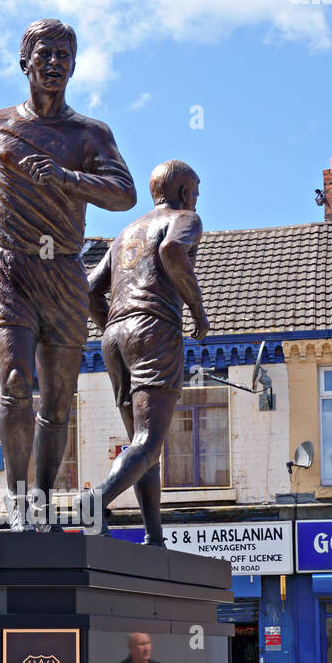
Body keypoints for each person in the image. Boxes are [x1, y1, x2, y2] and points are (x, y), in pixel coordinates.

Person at [0, 19, 136, 527]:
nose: (54, 62)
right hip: (8, 268)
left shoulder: (90, 134)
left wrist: (69, 178)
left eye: (64, 54)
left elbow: (124, 193)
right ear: (24, 62)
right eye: (44, 52)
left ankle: (42, 502)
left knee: (60, 399)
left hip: (64, 271)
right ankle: (18, 501)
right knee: (17, 381)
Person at [87, 160, 209, 545]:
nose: (198, 199)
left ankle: (154, 536)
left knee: (141, 444)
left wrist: (108, 323)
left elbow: (89, 287)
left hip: (115, 336)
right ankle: (95, 501)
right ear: (186, 192)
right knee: (149, 442)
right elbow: (173, 249)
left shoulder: (125, 233)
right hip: (154, 330)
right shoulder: (186, 217)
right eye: (197, 192)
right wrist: (198, 309)